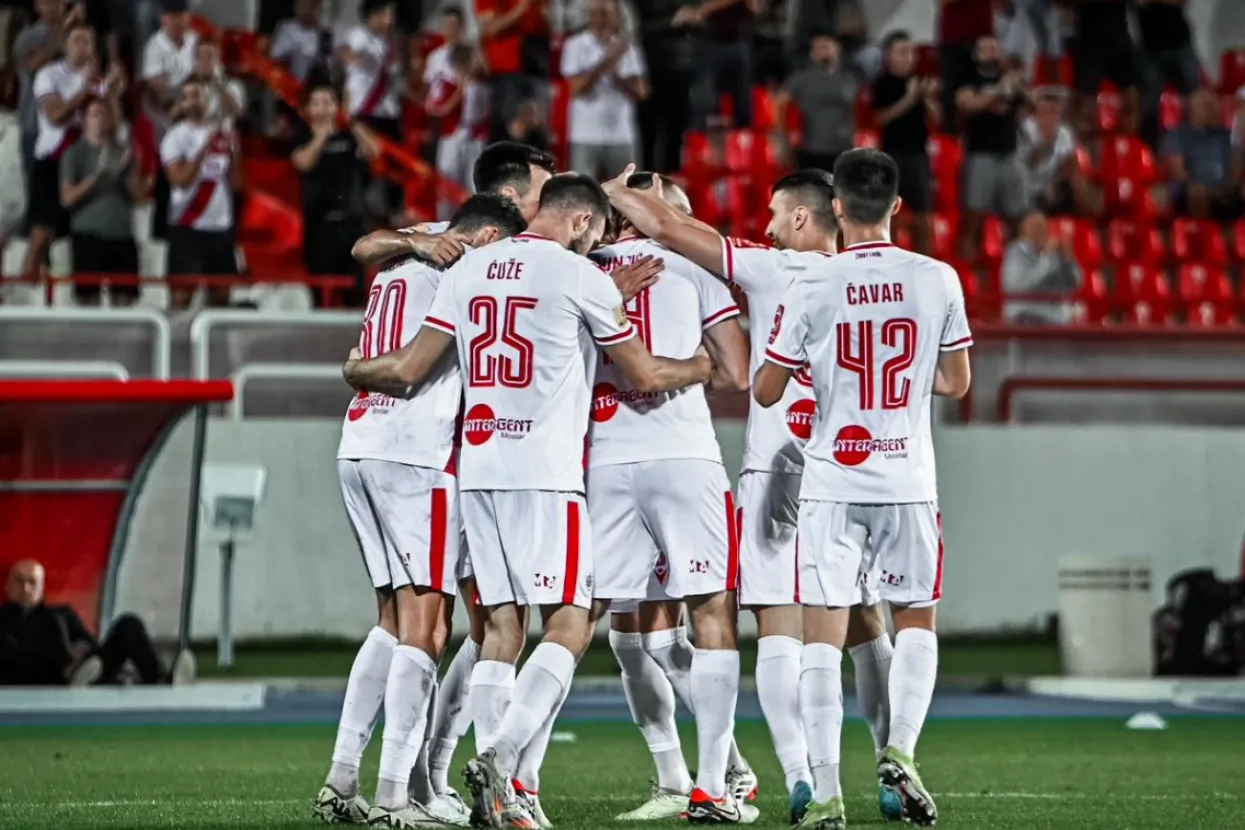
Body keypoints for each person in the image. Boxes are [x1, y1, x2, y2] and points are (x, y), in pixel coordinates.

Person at [342, 173, 714, 829]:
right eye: (595, 232)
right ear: (580, 221)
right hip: (545, 473)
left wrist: (354, 370)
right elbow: (646, 373)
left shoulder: (469, 269)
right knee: (570, 623)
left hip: (478, 469)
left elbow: (407, 368)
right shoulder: (580, 275)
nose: (597, 243)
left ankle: (493, 800)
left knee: (500, 630)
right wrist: (702, 367)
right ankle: (503, 760)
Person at [605, 169, 903, 824]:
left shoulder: (770, 268)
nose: (764, 227)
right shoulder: (887, 279)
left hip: (776, 462)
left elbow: (667, 227)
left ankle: (800, 775)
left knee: (776, 626)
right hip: (860, 461)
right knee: (864, 620)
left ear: (800, 217)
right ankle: (893, 760)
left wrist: (615, 189)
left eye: (773, 214)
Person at [753, 147, 973, 830]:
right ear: (897, 206)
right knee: (915, 620)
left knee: (821, 638)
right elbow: (956, 381)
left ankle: (825, 794)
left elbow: (766, 390)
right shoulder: (937, 277)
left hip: (832, 480)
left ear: (836, 207)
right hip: (907, 478)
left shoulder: (812, 283)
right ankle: (899, 751)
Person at [314, 194, 527, 828]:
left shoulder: (414, 246)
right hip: (417, 453)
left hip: (360, 443)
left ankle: (341, 780)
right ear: (488, 233)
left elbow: (363, 245)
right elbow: (414, 367)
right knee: (426, 627)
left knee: (389, 619)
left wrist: (412, 241)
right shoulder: (465, 267)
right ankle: (393, 798)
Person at [589, 171, 754, 822]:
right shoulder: (698, 269)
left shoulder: (580, 268)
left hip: (603, 457)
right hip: (683, 457)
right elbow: (737, 370)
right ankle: (713, 782)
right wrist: (695, 367)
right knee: (702, 617)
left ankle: (696, 777)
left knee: (610, 628)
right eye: (676, 213)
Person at [0, 560, 195, 686]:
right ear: (7, 586)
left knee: (129, 625)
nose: (26, 588)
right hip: (46, 678)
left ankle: (162, 681)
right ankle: (76, 676)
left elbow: (91, 646)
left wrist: (82, 655)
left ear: (42, 588)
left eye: (32, 582)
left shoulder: (62, 614)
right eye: (19, 581)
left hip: (83, 673)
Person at [25, 22, 109, 281]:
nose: (82, 47)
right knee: (41, 234)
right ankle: (24, 287)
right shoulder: (48, 75)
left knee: (78, 235)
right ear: (66, 45)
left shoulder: (100, 81)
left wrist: (112, 95)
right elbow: (55, 116)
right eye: (77, 40)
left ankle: (71, 293)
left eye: (87, 41)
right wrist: (84, 91)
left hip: (83, 163)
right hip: (52, 161)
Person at [292, 84, 380, 307]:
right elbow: (303, 162)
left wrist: (352, 122)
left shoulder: (349, 137)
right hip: (319, 226)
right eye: (317, 103)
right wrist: (322, 136)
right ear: (308, 109)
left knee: (355, 290)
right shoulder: (302, 137)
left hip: (351, 224)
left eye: (328, 102)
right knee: (320, 291)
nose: (324, 108)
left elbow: (374, 151)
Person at [160, 79, 240, 308]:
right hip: (187, 225)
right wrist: (204, 150)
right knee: (182, 296)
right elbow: (179, 179)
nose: (195, 101)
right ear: (181, 102)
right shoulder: (174, 137)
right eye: (189, 96)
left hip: (220, 226)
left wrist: (235, 154)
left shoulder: (223, 135)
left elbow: (237, 184)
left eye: (199, 95)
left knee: (222, 296)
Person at [60, 97, 146, 306]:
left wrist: (127, 172)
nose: (100, 119)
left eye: (104, 114)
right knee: (88, 299)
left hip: (122, 235)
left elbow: (139, 198)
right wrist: (98, 176)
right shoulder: (74, 153)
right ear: (85, 120)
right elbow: (67, 198)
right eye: (94, 114)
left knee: (125, 298)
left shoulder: (123, 153)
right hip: (88, 235)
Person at [956, 35, 1029, 259]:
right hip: (980, 156)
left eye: (994, 48)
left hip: (1010, 154)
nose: (991, 52)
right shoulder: (968, 78)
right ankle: (966, 270)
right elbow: (967, 104)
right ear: (976, 55)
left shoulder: (1008, 77)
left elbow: (1033, 105)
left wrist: (1020, 85)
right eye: (985, 49)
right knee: (974, 219)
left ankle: (1017, 266)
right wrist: (998, 92)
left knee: (1017, 218)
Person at [561, 0, 649, 181]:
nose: (601, 20)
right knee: (584, 192)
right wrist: (606, 62)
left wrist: (618, 77)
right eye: (596, 14)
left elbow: (642, 92)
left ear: (616, 17)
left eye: (606, 15)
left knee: (627, 191)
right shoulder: (574, 45)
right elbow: (578, 88)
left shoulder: (628, 47)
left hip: (622, 136)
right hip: (585, 136)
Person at [871, 31, 938, 255]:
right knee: (891, 215)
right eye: (902, 52)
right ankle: (891, 259)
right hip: (892, 155)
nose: (908, 57)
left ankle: (924, 261)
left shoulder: (919, 82)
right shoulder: (881, 84)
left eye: (911, 52)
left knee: (923, 216)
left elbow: (938, 119)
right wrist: (909, 99)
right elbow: (880, 118)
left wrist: (926, 97)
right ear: (888, 55)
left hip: (918, 155)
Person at [140, 0, 199, 241]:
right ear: (163, 18)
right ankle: (161, 236)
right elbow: (158, 93)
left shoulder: (195, 41)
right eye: (171, 16)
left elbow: (206, 77)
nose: (177, 21)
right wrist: (189, 90)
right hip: (165, 124)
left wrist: (188, 92)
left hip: (192, 122)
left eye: (181, 15)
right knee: (167, 181)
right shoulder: (155, 46)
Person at [777, 34, 858, 172]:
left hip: (843, 148)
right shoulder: (799, 79)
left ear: (837, 50)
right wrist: (783, 139)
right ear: (812, 53)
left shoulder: (849, 79)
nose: (823, 52)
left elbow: (855, 110)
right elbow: (780, 104)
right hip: (810, 149)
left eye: (827, 47)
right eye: (818, 48)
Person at [1162, 89, 1241, 221]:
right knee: (1197, 193)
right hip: (1190, 189)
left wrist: (1229, 185)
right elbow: (1178, 171)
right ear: (1191, 109)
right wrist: (1197, 186)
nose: (1210, 109)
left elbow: (1235, 167)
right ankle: (1199, 230)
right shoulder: (1178, 135)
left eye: (1212, 105)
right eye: (1205, 105)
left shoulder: (1226, 135)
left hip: (1222, 189)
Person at [1002, 211, 1083, 325]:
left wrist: (1067, 260)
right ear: (1023, 232)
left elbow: (1075, 283)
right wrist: (1047, 258)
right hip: (1025, 318)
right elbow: (1019, 288)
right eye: (1033, 228)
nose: (1038, 233)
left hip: (1056, 319)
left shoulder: (1054, 253)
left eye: (1041, 228)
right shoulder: (1016, 252)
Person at [271, 0, 334, 86]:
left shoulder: (324, 34)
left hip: (312, 86)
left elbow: (327, 63)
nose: (306, 11)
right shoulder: (286, 28)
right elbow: (276, 55)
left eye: (310, 6)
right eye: (302, 6)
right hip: (287, 83)